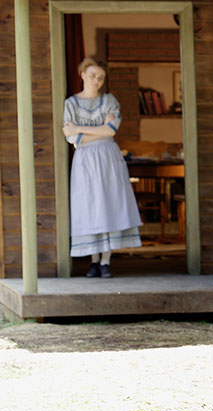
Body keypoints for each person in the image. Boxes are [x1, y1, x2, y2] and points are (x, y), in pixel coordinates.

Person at [62, 57, 142, 278]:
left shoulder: (109, 100)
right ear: (82, 75)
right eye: (92, 75)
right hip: (85, 160)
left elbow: (111, 131)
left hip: (108, 157)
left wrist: (80, 128)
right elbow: (71, 138)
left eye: (100, 77)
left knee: (109, 203)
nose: (96, 80)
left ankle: (106, 260)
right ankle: (93, 260)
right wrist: (97, 129)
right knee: (89, 206)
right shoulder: (71, 104)